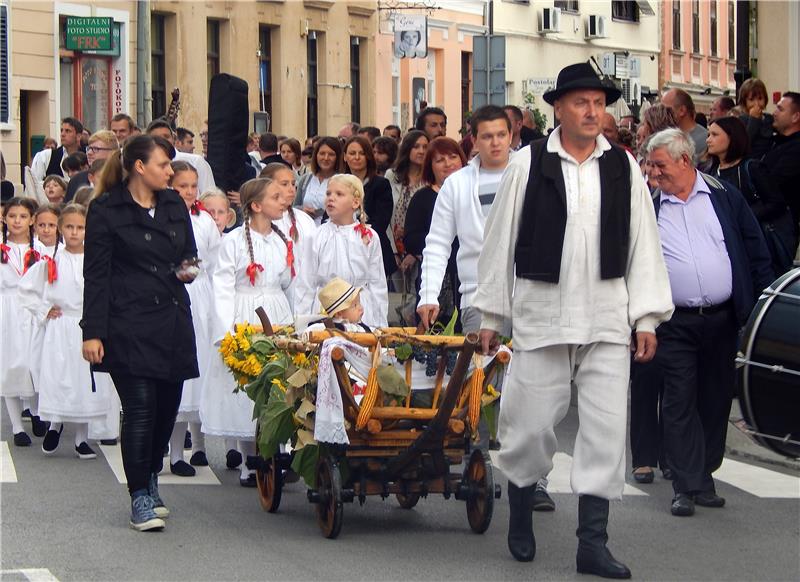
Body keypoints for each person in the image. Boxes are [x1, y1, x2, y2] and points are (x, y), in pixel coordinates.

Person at [474, 63, 673, 578]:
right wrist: (493, 312)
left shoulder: (622, 165)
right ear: (557, 108)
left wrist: (646, 317)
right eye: (581, 102)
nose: (592, 112)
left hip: (607, 317)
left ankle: (592, 543)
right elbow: (499, 241)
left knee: (606, 431)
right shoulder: (528, 162)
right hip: (543, 316)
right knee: (528, 428)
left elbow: (642, 243)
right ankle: (521, 511)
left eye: (598, 103)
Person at [645, 128, 773, 517]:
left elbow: (755, 249)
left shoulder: (723, 195)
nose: (653, 173)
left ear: (685, 161)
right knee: (679, 400)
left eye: (659, 165)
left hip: (722, 319)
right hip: (675, 322)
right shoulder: (651, 205)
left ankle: (704, 473)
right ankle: (685, 484)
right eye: (650, 165)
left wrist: (758, 311)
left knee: (715, 401)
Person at [82, 135, 200, 531]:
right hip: (127, 320)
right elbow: (96, 275)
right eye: (164, 165)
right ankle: (139, 496)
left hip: (171, 317)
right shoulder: (105, 209)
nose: (171, 172)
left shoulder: (171, 204)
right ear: (139, 167)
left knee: (167, 410)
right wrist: (93, 332)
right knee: (140, 408)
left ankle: (151, 474)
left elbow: (189, 252)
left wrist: (189, 268)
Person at [201, 178, 295, 486]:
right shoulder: (234, 242)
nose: (284, 200)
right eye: (276, 196)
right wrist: (227, 331)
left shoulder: (283, 239)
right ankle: (248, 459)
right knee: (248, 385)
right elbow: (223, 287)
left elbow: (291, 283)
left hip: (277, 313)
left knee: (279, 382)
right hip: (245, 313)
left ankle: (278, 450)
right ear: (256, 205)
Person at [19, 204, 114, 459]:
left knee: (85, 380)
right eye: (69, 227)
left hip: (87, 327)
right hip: (60, 327)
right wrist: (44, 308)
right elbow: (25, 289)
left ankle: (82, 438)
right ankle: (55, 424)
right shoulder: (51, 260)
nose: (74, 233)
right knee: (60, 377)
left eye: (80, 227)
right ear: (61, 229)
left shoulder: (96, 260)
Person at [165, 161, 221, 476]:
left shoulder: (203, 222)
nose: (188, 192)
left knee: (191, 375)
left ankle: (179, 453)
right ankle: (158, 451)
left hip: (199, 297)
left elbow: (213, 260)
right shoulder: (159, 216)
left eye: (192, 186)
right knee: (168, 374)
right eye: (181, 186)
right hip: (168, 292)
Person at [294, 174, 388, 328]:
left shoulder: (369, 237)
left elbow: (377, 283)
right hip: (326, 309)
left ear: (355, 202)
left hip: (359, 308)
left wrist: (380, 325)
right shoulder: (316, 236)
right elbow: (306, 282)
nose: (331, 198)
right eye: (328, 193)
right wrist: (302, 323)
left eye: (339, 194)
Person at [707, 116, 796, 274]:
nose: (708, 140)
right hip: (726, 247)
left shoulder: (752, 168)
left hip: (756, 246)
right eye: (708, 135)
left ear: (731, 137)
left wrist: (743, 215)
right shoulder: (711, 172)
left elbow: (776, 203)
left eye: (715, 135)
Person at [403, 137, 465, 327]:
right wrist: (441, 240)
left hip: (466, 274)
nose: (448, 164)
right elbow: (411, 239)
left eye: (453, 157)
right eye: (439, 160)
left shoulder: (471, 191)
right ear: (431, 167)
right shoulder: (422, 197)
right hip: (437, 273)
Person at [1, 197, 44, 447]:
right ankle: (17, 427)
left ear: (31, 220)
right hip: (6, 309)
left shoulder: (40, 248)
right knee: (10, 366)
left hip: (33, 310)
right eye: (12, 216)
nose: (17, 221)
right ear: (5, 219)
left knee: (34, 363)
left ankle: (36, 410)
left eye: (22, 216)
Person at [343, 135, 396, 279]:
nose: (357, 157)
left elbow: (381, 221)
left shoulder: (381, 184)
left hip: (372, 249)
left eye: (362, 153)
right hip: (342, 250)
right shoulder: (338, 183)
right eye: (352, 153)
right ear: (345, 157)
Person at [762, 92, 800, 246]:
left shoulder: (796, 148)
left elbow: (771, 181)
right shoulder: (776, 142)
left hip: (780, 228)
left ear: (795, 117)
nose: (774, 113)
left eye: (780, 109)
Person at [294, 136, 343, 226]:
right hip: (306, 232)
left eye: (331, 154)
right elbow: (294, 207)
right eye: (322, 153)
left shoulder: (342, 181)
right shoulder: (306, 180)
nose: (326, 158)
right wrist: (302, 210)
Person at [66, 130, 120, 202]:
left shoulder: (121, 178)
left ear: (112, 152)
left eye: (95, 149)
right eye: (88, 149)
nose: (89, 153)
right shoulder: (76, 180)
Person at [661, 88, 707, 163]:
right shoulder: (665, 136)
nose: (662, 113)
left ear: (682, 110)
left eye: (666, 109)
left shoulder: (704, 140)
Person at [736, 78, 775, 160]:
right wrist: (754, 119)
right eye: (751, 100)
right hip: (750, 162)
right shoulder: (741, 120)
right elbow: (746, 142)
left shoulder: (769, 118)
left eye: (760, 99)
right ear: (744, 101)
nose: (756, 103)